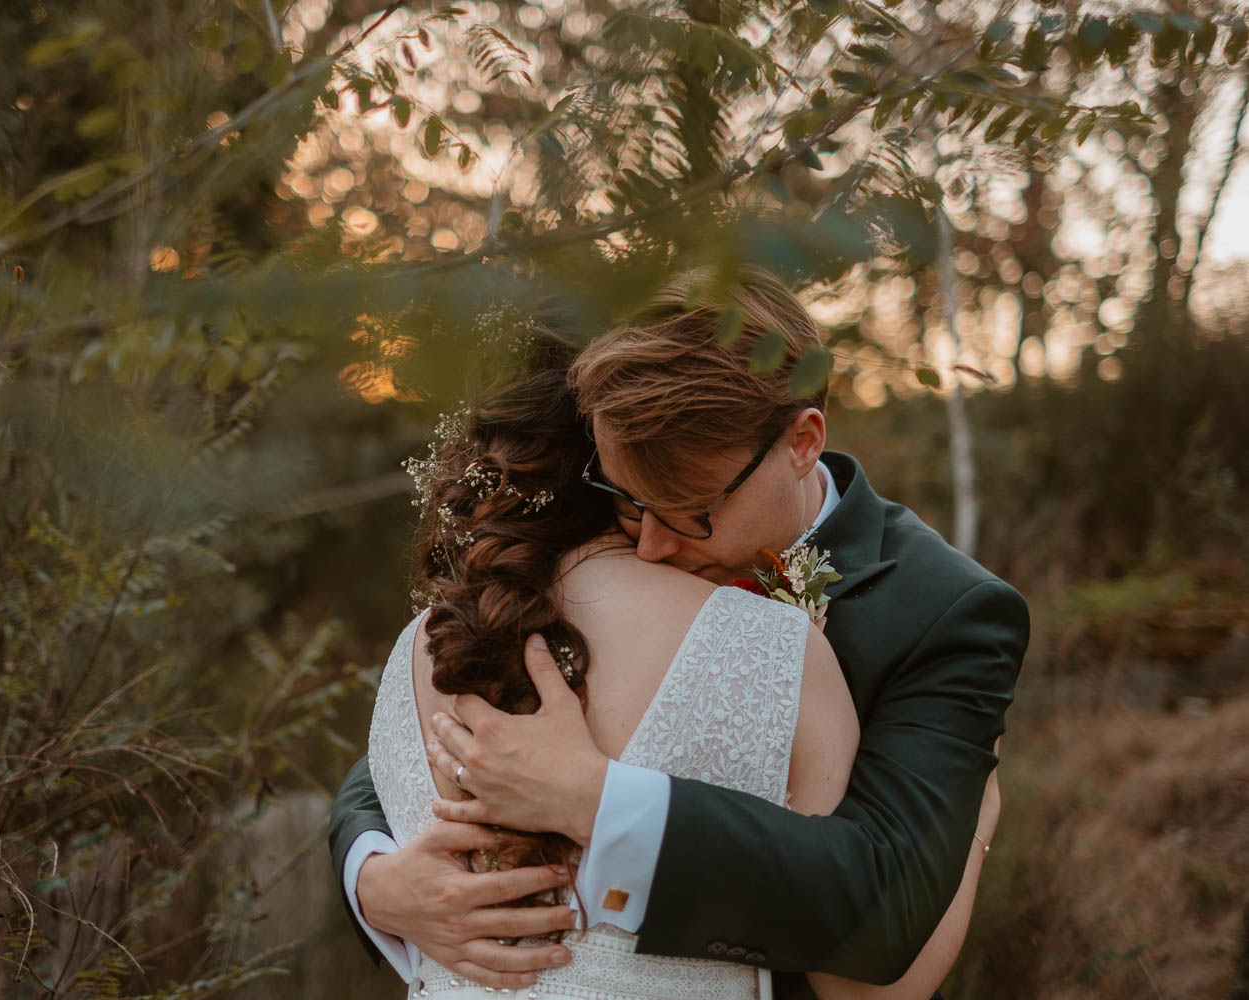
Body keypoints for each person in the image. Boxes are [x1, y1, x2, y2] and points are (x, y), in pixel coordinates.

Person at [331, 271, 1027, 999]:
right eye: (632, 504)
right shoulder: (610, 531)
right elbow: (438, 727)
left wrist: (595, 800)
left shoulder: (948, 612)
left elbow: (882, 909)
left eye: (692, 512)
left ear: (802, 441)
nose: (655, 547)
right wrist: (375, 879)